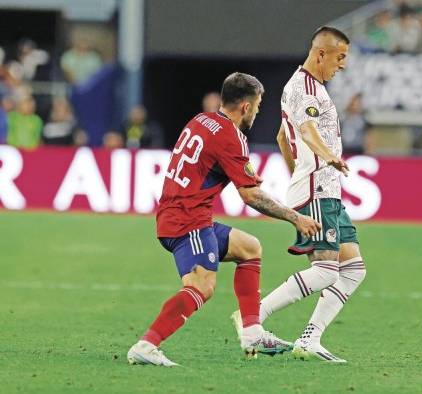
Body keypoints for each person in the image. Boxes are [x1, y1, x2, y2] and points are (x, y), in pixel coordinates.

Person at [127, 72, 321, 367]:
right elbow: (251, 197)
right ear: (245, 106)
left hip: (179, 213)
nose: (257, 111)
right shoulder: (232, 136)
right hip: (188, 220)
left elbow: (209, 164)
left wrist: (242, 174)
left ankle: (253, 331)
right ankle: (146, 344)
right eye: (257, 105)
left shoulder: (201, 120)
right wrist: (295, 218)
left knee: (249, 247)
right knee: (202, 286)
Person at [232, 27, 366, 363]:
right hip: (318, 188)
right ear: (321, 54)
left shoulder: (307, 86)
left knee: (353, 268)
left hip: (323, 188)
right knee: (325, 270)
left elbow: (281, 136)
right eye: (340, 57)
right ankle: (253, 317)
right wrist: (327, 157)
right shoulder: (305, 88)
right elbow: (305, 132)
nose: (343, 65)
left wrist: (299, 170)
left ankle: (309, 339)